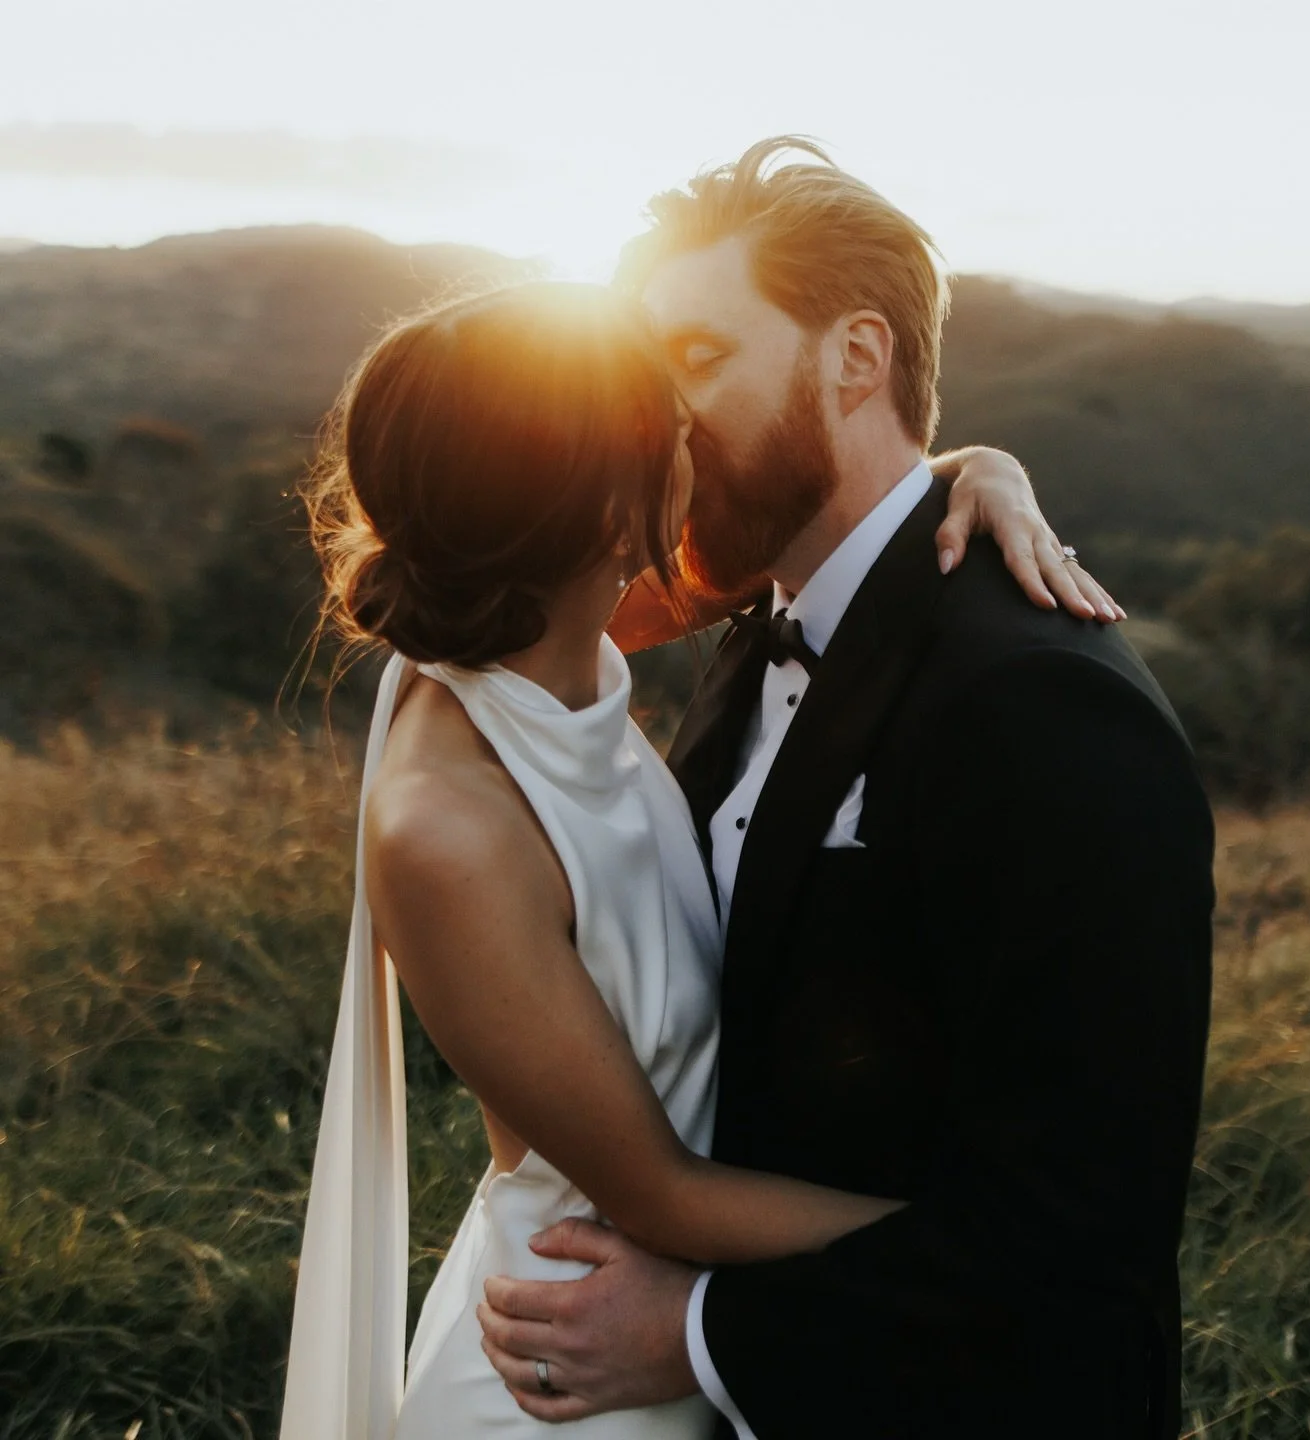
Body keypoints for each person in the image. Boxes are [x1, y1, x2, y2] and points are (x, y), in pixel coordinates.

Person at [277, 274, 1114, 1439]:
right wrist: (992, 1253)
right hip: (565, 1368)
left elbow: (849, 532)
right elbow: (655, 1189)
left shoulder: (543, 620)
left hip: (672, 1328)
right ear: (616, 511)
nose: (701, 441)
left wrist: (982, 474)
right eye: (676, 432)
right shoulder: (446, 829)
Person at [476, 139, 1216, 1439]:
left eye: (698, 361)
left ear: (857, 358)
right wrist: (964, 460)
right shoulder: (750, 614)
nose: (658, 419)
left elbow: (1083, 1237)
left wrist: (697, 1335)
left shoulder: (1045, 709)